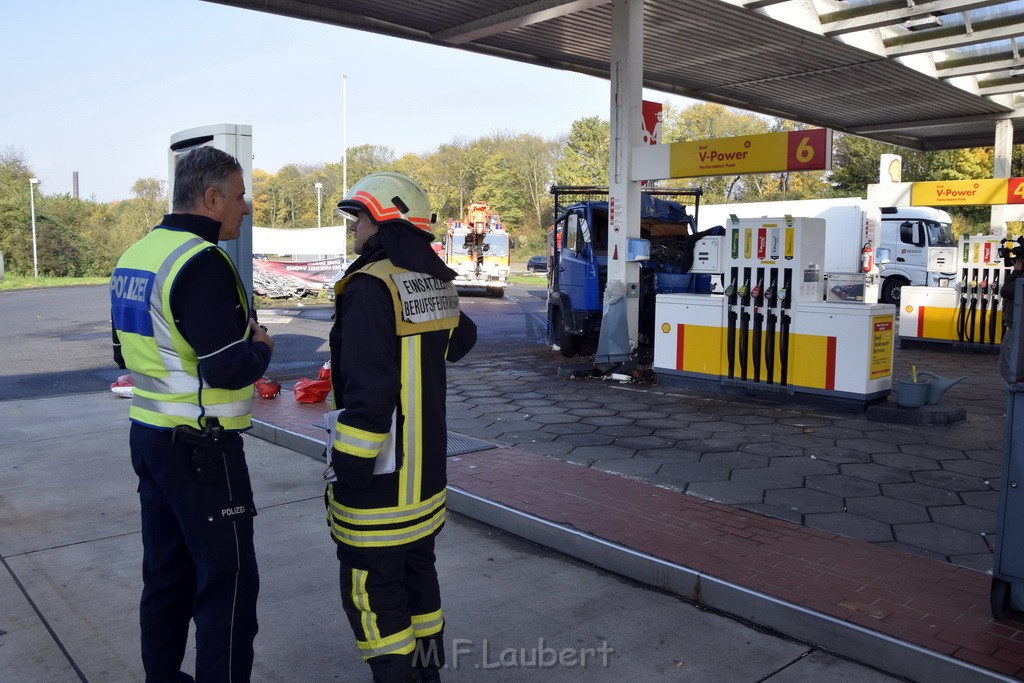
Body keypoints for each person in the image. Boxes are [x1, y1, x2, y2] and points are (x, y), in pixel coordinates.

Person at [110, 146, 274, 682]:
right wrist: (262, 348)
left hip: (151, 438)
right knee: (226, 584)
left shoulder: (136, 255)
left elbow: (124, 353)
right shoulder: (202, 262)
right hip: (204, 452)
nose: (245, 208)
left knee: (166, 575)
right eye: (240, 195)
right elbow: (227, 367)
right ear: (212, 198)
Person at [326, 172, 476, 683]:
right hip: (425, 487)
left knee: (377, 608)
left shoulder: (369, 287)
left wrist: (346, 472)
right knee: (421, 596)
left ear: (384, 221)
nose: (354, 230)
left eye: (360, 218)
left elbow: (367, 396)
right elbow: (462, 341)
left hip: (379, 493)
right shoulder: (432, 280)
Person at [1000, 254, 1024, 384]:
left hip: (1016, 327)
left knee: (1006, 365)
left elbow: (1005, 291)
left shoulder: (1021, 280)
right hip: (1017, 326)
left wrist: (1015, 271)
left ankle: (1015, 396)